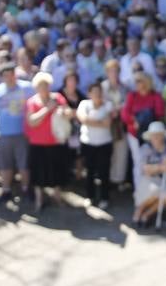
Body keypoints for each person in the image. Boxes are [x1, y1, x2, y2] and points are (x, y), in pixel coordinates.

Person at [0, 63, 32, 205]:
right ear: (2, 77)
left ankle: (26, 189)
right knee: (5, 164)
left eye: (11, 74)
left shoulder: (27, 88)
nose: (9, 78)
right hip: (3, 134)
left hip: (23, 134)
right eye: (6, 76)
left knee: (24, 164)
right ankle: (6, 190)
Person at [24, 71, 72, 212]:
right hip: (37, 143)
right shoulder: (32, 102)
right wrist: (47, 109)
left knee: (57, 171)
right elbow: (32, 121)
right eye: (41, 86)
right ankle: (39, 199)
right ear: (36, 87)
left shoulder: (57, 98)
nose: (44, 88)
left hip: (55, 142)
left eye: (46, 85)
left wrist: (64, 112)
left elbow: (68, 112)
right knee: (38, 173)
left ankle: (57, 196)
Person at [131, 121, 166, 228]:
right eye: (154, 135)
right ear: (150, 137)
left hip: (162, 181)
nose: (156, 138)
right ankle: (139, 211)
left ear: (163, 136)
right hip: (146, 180)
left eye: (158, 135)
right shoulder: (145, 149)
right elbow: (145, 169)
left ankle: (147, 214)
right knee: (155, 191)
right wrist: (160, 167)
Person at [77, 80, 114, 208]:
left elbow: (107, 123)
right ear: (89, 93)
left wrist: (90, 121)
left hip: (105, 144)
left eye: (99, 92)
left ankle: (105, 197)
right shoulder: (83, 104)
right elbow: (82, 119)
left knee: (104, 172)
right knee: (90, 172)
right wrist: (99, 122)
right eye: (94, 92)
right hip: (88, 144)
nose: (97, 94)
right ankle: (90, 196)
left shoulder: (108, 105)